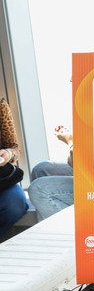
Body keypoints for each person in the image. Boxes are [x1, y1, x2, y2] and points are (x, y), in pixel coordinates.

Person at [28, 126, 74, 220]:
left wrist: (70, 141)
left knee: (38, 189)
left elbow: (76, 162)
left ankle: (68, 231)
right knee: (41, 170)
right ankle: (45, 228)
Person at [0, 97, 28, 235]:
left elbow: (14, 148)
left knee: (15, 205)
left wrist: (8, 153)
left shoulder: (1, 106)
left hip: (2, 180)